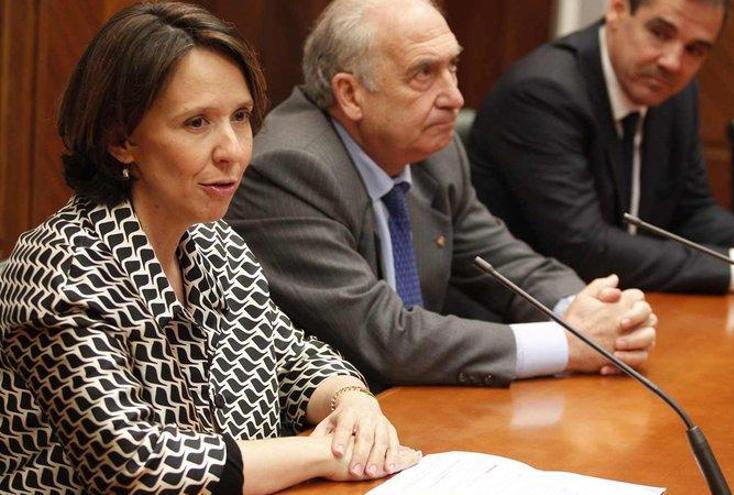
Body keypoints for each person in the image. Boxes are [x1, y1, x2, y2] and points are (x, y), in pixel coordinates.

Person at [0, 3, 419, 493]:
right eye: (196, 123)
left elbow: (291, 359)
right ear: (121, 140)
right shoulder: (58, 269)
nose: (233, 150)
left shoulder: (214, 242)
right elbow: (138, 468)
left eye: (240, 117)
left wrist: (352, 402)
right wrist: (324, 452)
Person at [226, 0, 657, 393]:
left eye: (452, 67)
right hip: (327, 429)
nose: (455, 97)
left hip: (419, 406)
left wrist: (592, 311)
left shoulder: (434, 151)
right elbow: (386, 338)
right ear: (350, 94)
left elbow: (501, 260)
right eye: (423, 73)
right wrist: (569, 342)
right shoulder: (288, 169)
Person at [467, 0, 734, 294]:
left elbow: (692, 211)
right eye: (660, 33)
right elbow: (583, 246)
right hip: (524, 313)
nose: (672, 62)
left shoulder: (673, 93)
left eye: (695, 49)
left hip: (625, 306)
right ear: (618, 10)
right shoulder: (542, 94)